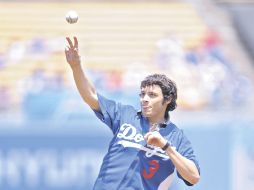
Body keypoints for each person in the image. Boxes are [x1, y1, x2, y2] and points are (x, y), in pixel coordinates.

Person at [65, 37, 200, 190]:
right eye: (142, 94)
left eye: (152, 95)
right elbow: (91, 96)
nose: (145, 99)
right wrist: (76, 66)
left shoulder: (176, 136)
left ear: (167, 99)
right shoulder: (125, 115)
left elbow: (193, 177)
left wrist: (166, 146)